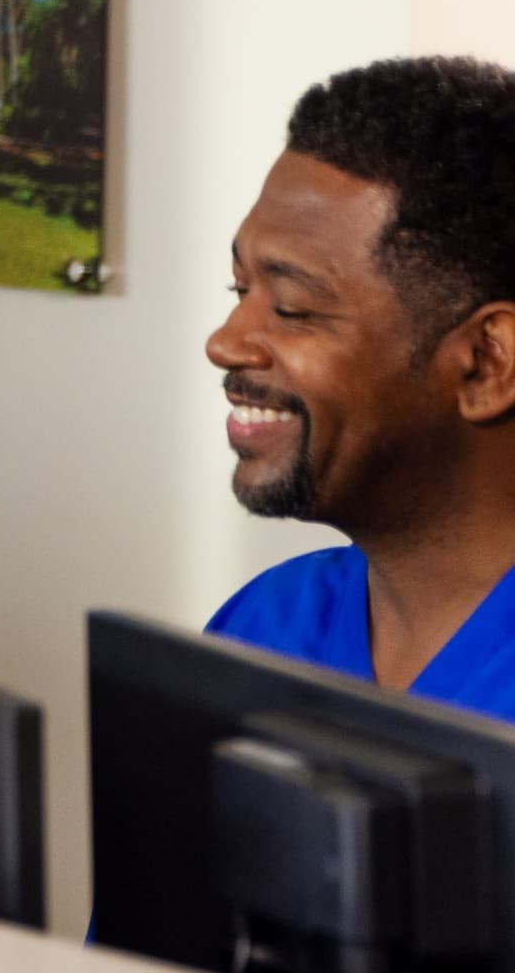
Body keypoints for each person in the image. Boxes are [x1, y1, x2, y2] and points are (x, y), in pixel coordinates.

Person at [204, 56, 515, 713]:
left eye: (290, 306)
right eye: (239, 288)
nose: (224, 342)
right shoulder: (261, 629)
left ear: (487, 363)